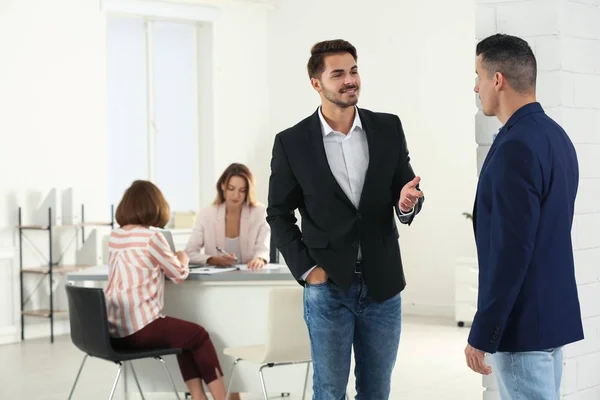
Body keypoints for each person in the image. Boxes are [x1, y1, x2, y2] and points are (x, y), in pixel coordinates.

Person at [266, 39, 424, 399]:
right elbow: (278, 213)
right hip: (328, 288)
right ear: (316, 83)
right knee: (329, 390)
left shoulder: (387, 128)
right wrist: (309, 271)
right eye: (338, 73)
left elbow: (407, 188)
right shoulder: (291, 143)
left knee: (376, 390)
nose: (350, 80)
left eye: (353, 70)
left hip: (383, 284)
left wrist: (406, 203)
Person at [466, 33, 584, 399]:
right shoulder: (556, 137)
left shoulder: (515, 146)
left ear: (497, 80)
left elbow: (511, 250)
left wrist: (482, 331)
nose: (476, 87)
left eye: (478, 76)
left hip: (522, 328)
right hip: (551, 320)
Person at [105, 180, 228, 400]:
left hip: (113, 330)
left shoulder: (115, 236)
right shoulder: (152, 237)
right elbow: (179, 274)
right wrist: (182, 257)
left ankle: (199, 397)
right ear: (155, 207)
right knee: (199, 335)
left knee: (187, 339)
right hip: (140, 328)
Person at [185, 163, 270, 269]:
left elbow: (263, 249)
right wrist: (213, 260)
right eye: (231, 188)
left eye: (242, 190)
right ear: (222, 186)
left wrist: (259, 259)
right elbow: (189, 252)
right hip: (217, 280)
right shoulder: (206, 214)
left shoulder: (259, 212)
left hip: (251, 276)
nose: (236, 195)